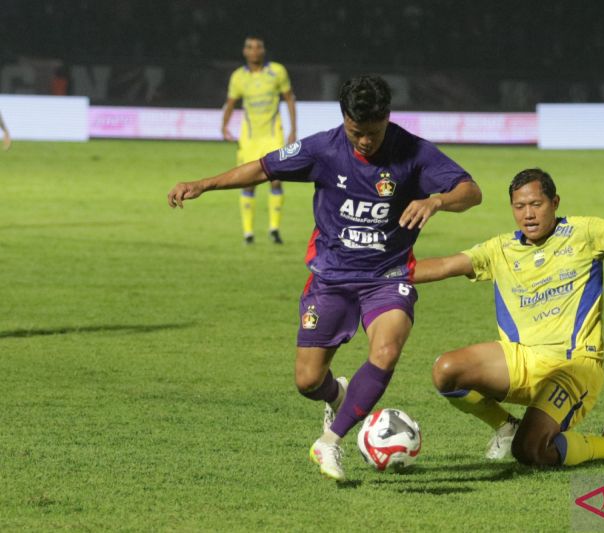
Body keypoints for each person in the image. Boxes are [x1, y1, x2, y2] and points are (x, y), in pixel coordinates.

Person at [168, 75, 482, 481]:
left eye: (372, 133)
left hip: (386, 276)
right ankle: (339, 395)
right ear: (344, 119)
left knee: (386, 350)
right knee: (308, 380)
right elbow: (263, 168)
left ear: (387, 118)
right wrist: (202, 184)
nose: (364, 142)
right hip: (331, 277)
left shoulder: (414, 152)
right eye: (355, 132)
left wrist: (436, 200)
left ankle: (329, 442)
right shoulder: (323, 149)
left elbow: (470, 191)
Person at [413, 168, 604, 467]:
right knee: (446, 371)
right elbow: (444, 265)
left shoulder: (584, 233)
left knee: (531, 451)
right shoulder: (501, 249)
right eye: (519, 207)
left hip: (574, 365)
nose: (528, 215)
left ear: (555, 202)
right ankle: (506, 427)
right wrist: (385, 274)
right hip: (522, 359)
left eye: (536, 204)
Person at [222, 36, 297, 245]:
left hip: (273, 135)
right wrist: (224, 125)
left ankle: (274, 229)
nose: (254, 51)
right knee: (248, 183)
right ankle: (248, 233)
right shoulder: (238, 77)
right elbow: (230, 103)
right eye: (250, 47)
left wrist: (293, 130)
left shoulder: (277, 71)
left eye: (258, 47)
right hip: (250, 138)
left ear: (263, 50)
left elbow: (290, 99)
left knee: (276, 179)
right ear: (244, 51)